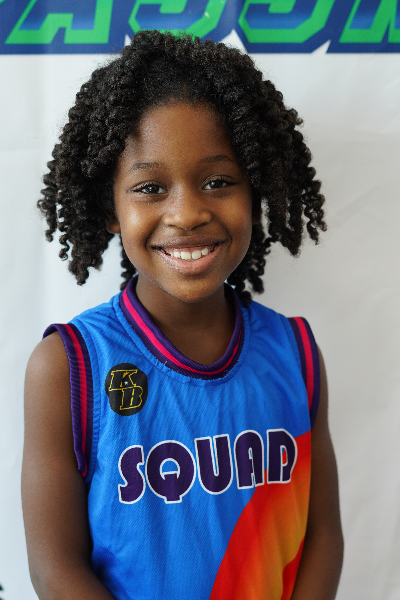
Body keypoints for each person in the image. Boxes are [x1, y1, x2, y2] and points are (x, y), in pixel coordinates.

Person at [22, 30, 343, 600]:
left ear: (256, 192)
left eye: (218, 182)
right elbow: (56, 570)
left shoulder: (295, 352)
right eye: (150, 187)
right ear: (110, 209)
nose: (187, 213)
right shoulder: (67, 367)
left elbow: (322, 536)